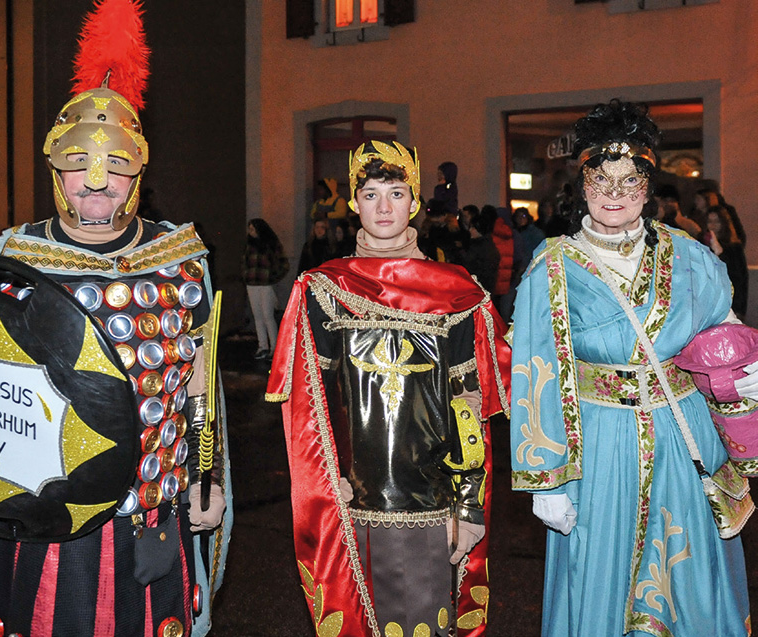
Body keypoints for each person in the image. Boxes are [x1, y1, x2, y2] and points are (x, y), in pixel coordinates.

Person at [0, 2, 233, 635]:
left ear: (138, 167)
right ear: (56, 168)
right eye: (79, 166)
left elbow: (200, 391)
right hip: (45, 529)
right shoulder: (13, 263)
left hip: (152, 519)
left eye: (113, 168)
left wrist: (206, 475)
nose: (95, 183)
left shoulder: (179, 262)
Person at [509, 99, 753, 636]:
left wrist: (743, 421)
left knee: (693, 582)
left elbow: (729, 342)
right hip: (600, 451)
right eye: (602, 180)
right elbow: (534, 371)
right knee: (604, 580)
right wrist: (546, 480)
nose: (615, 194)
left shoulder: (691, 256)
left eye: (630, 180)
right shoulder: (554, 267)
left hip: (685, 441)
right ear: (583, 187)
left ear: (648, 186)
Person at [267, 141, 510, 637]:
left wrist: (468, 504)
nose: (383, 207)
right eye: (371, 193)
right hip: (347, 502)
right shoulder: (323, 289)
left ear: (414, 203)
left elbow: (467, 406)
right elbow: (314, 403)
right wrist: (325, 481)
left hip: (430, 504)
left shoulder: (455, 292)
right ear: (354, 203)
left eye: (396, 193)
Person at [244, 218, 288, 359]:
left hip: (265, 284)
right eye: (249, 229)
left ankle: (275, 347)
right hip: (252, 283)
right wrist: (246, 275)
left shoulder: (271, 244)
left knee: (268, 315)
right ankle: (262, 346)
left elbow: (283, 263)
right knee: (258, 316)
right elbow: (244, 262)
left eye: (252, 229)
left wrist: (272, 276)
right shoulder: (249, 245)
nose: (250, 232)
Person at [704, 205, 749, 319]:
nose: (713, 226)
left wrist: (740, 309)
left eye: (716, 222)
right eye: (710, 222)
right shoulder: (703, 244)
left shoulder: (734, 247)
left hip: (730, 303)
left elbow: (739, 278)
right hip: (710, 302)